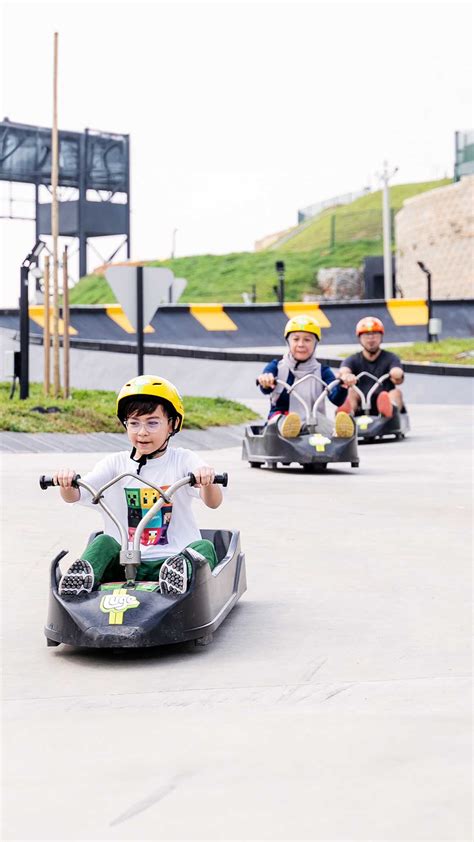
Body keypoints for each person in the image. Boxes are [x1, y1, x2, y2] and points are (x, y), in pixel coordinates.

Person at [52, 375, 223, 599]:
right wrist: (67, 482)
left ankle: (177, 577)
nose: (142, 432)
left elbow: (213, 501)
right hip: (126, 561)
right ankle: (82, 581)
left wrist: (206, 480)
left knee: (204, 547)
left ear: (172, 424)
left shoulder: (183, 460)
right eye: (134, 423)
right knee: (103, 541)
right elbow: (77, 494)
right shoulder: (115, 464)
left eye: (152, 423)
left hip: (172, 559)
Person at [257, 313, 355, 438]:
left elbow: (336, 399)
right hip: (283, 417)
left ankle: (339, 434)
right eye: (296, 339)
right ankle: (291, 430)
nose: (301, 344)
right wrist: (265, 380)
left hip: (311, 420)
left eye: (307, 340)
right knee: (280, 421)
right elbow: (265, 387)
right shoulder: (276, 367)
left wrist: (343, 386)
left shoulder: (322, 371)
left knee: (320, 422)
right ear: (288, 342)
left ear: (315, 344)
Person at [337, 317, 405, 416]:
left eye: (375, 334)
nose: (371, 338)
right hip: (360, 402)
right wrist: (346, 376)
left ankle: (390, 412)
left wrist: (397, 373)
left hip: (383, 399)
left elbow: (398, 376)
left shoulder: (391, 358)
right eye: (366, 335)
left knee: (396, 392)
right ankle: (346, 416)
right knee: (350, 392)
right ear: (359, 338)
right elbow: (344, 371)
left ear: (381, 336)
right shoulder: (352, 360)